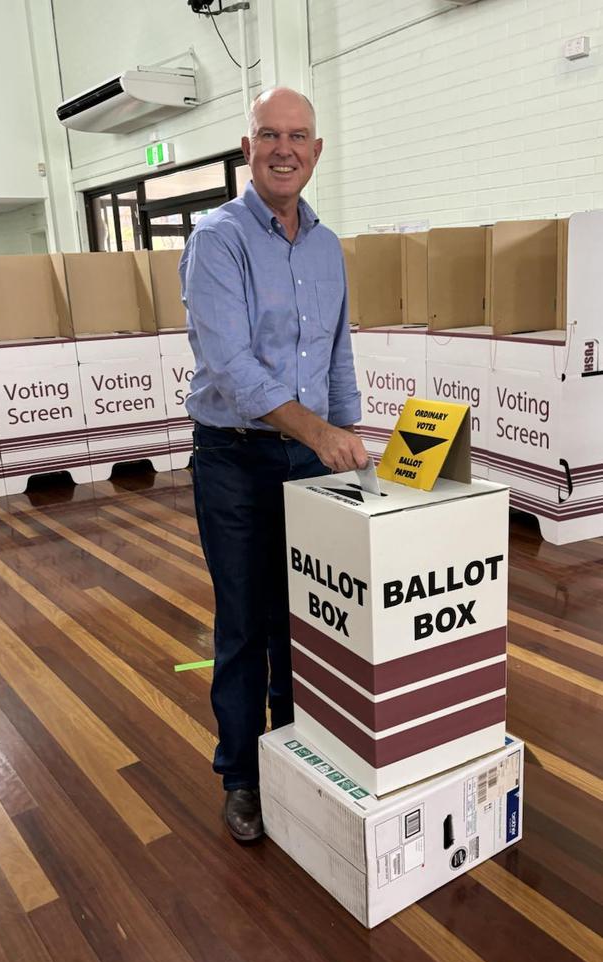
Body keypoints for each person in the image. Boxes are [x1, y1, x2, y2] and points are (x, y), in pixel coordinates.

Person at [179, 87, 368, 842]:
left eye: (298, 136)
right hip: (234, 459)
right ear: (248, 147)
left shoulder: (326, 245)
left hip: (312, 460)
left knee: (308, 620)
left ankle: (299, 756)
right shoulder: (216, 238)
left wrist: (349, 444)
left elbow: (338, 353)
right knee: (245, 623)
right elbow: (229, 366)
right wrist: (321, 434)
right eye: (269, 135)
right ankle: (243, 775)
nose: (284, 148)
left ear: (316, 151)